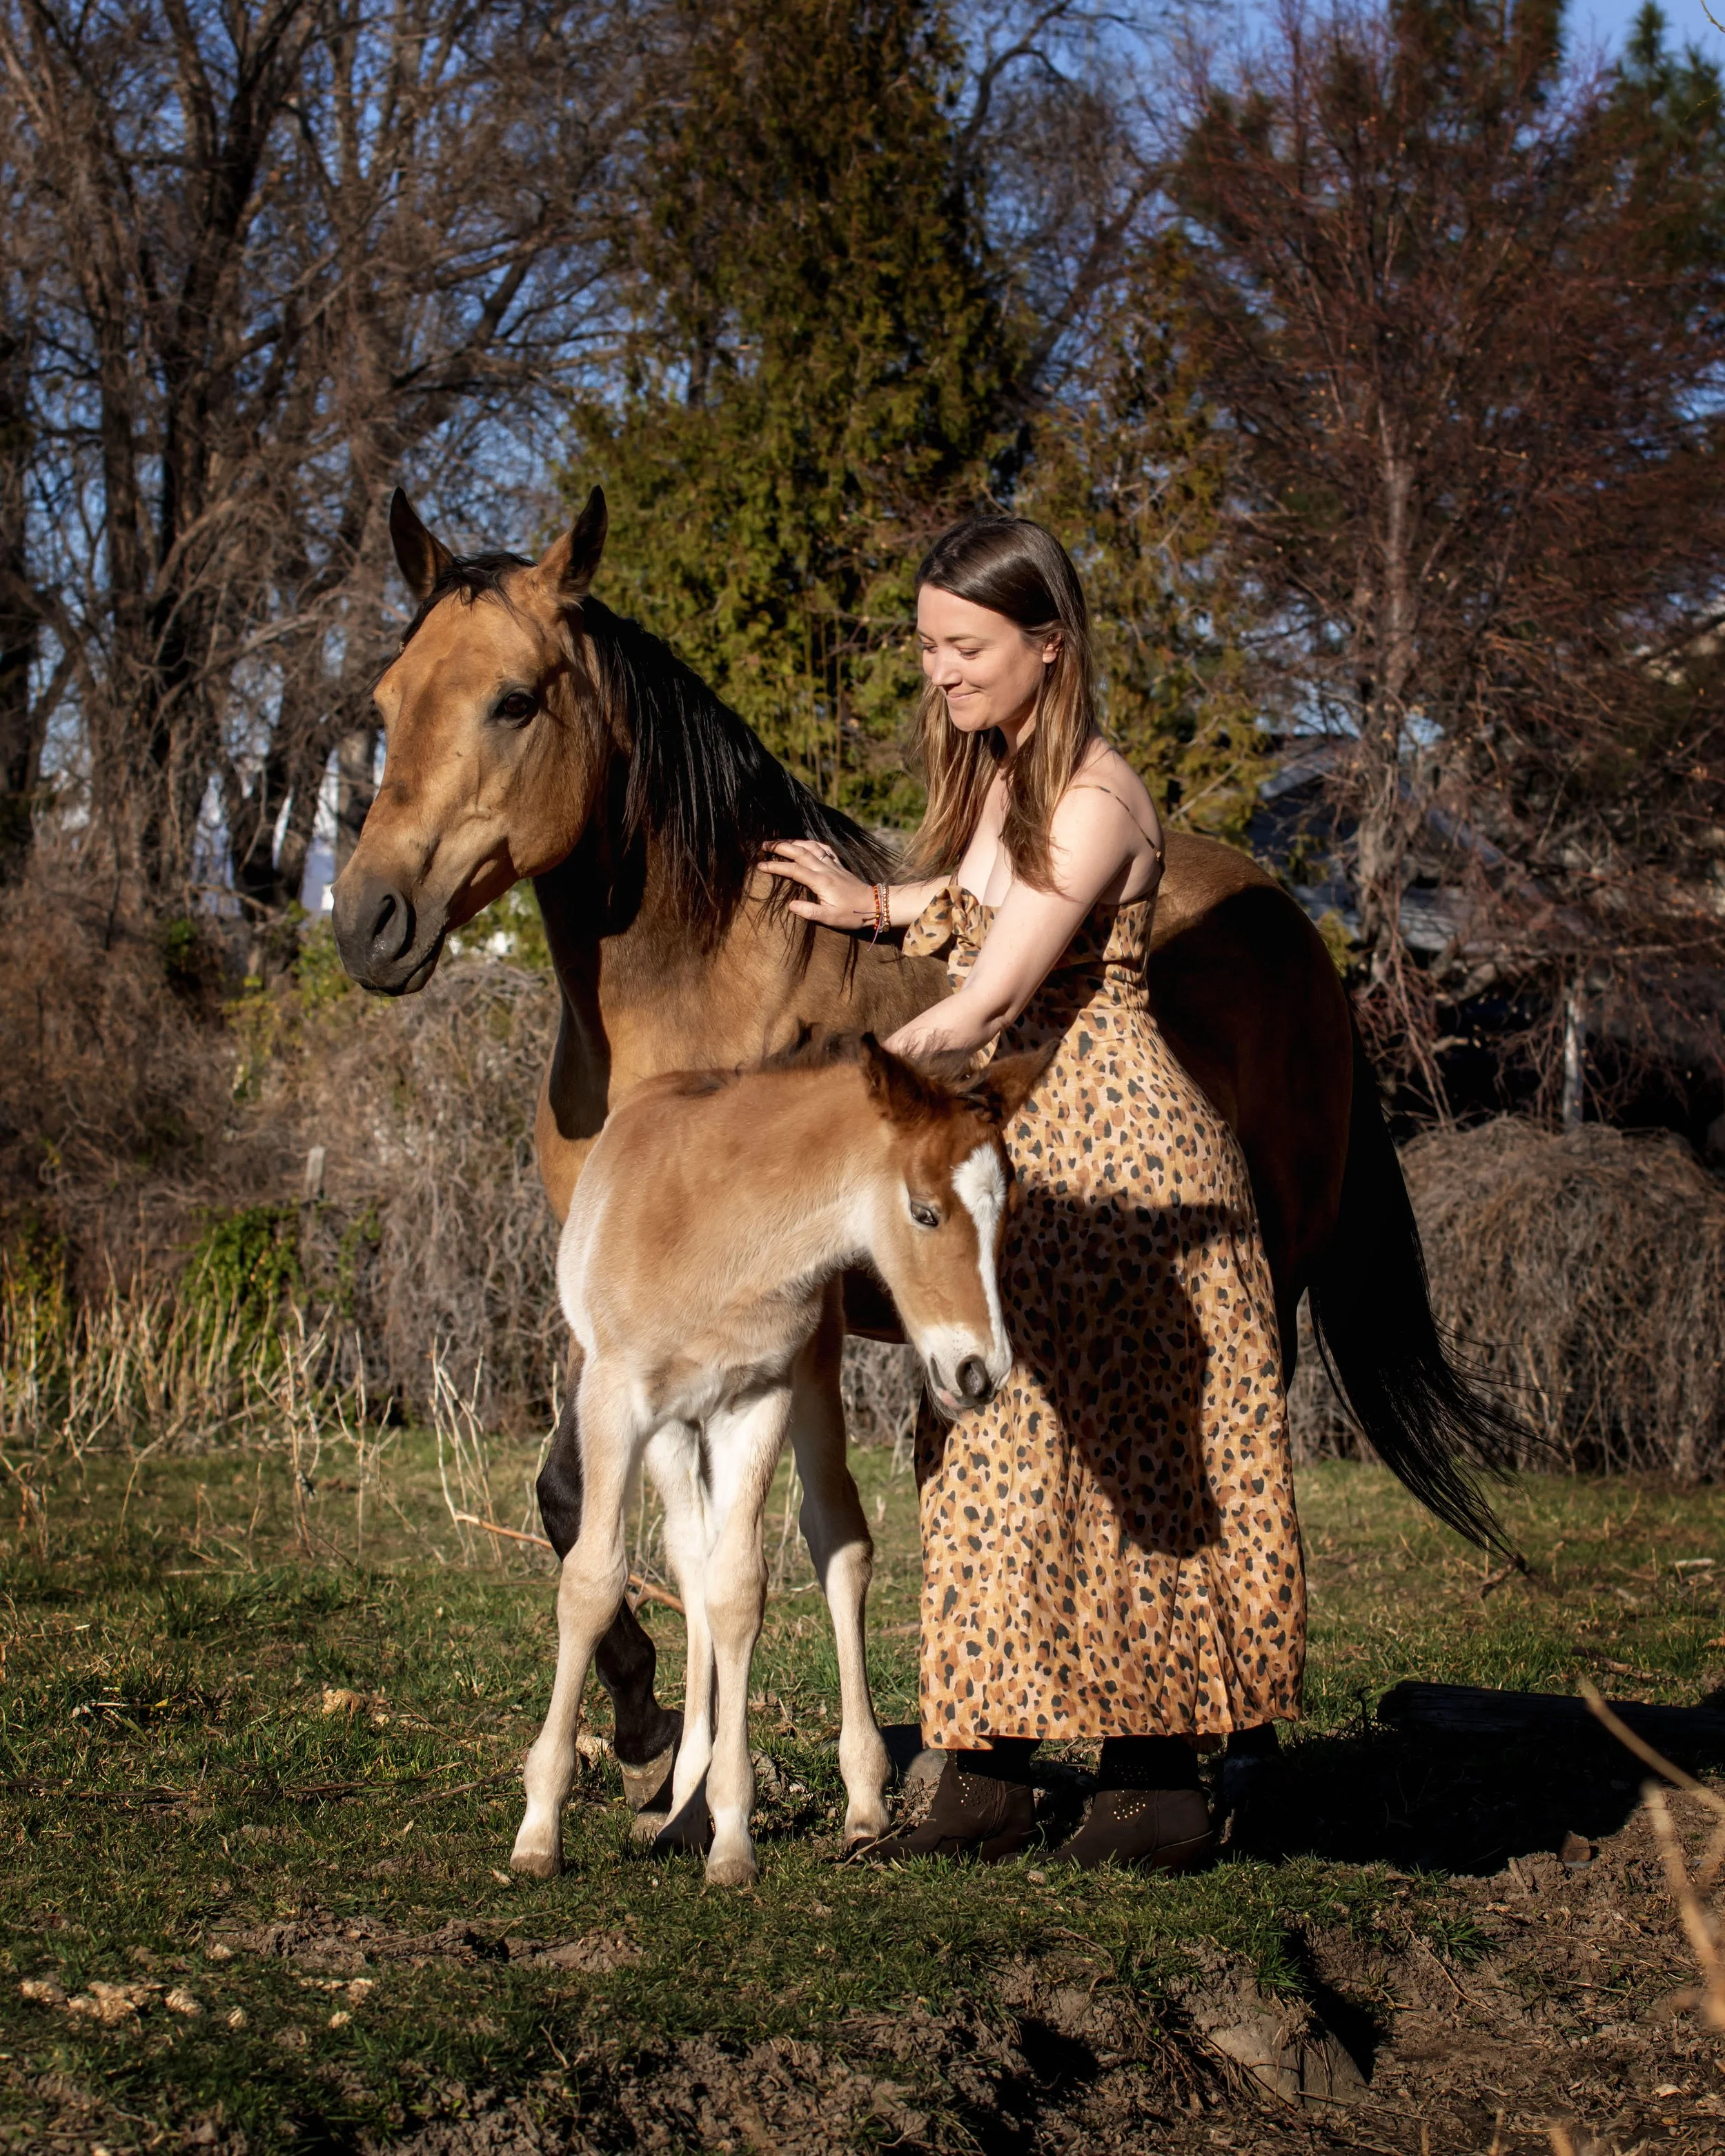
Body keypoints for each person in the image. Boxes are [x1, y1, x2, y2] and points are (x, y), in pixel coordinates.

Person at [762, 515, 1301, 1870]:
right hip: (1033, 1159)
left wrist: (844, 1093)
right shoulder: (1010, 787)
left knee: (1129, 1465)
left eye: (964, 647)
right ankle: (985, 1767)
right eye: (928, 646)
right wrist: (876, 904)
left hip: (1127, 1163)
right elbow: (978, 901)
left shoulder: (1096, 794)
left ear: (1046, 645)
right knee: (990, 1454)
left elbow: (997, 991)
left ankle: (1154, 1779)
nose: (938, 672)